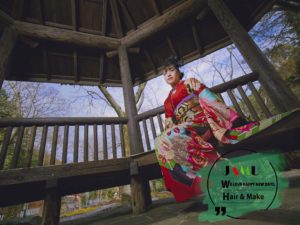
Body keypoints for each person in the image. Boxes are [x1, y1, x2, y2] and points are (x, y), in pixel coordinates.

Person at [154, 56, 258, 202]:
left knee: (170, 136)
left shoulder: (189, 83)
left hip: (202, 124)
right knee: (160, 141)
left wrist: (233, 119)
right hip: (185, 133)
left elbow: (208, 97)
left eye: (171, 69)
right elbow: (169, 125)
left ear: (179, 72)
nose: (168, 74)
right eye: (164, 73)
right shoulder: (167, 102)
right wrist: (166, 139)